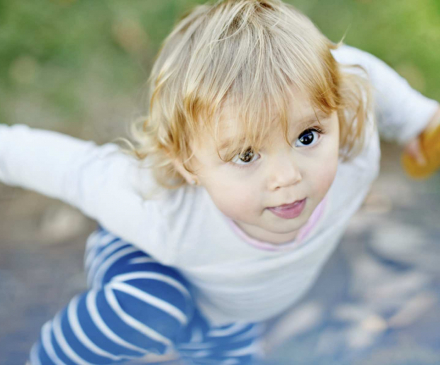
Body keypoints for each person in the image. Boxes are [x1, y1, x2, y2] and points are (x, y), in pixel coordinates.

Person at [1, 0, 438, 364]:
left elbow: (359, 71)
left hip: (226, 311)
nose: (288, 177)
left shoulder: (352, 145)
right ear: (188, 162)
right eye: (246, 155)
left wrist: (420, 119)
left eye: (306, 137)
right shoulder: (162, 211)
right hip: (147, 256)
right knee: (155, 308)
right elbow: (70, 168)